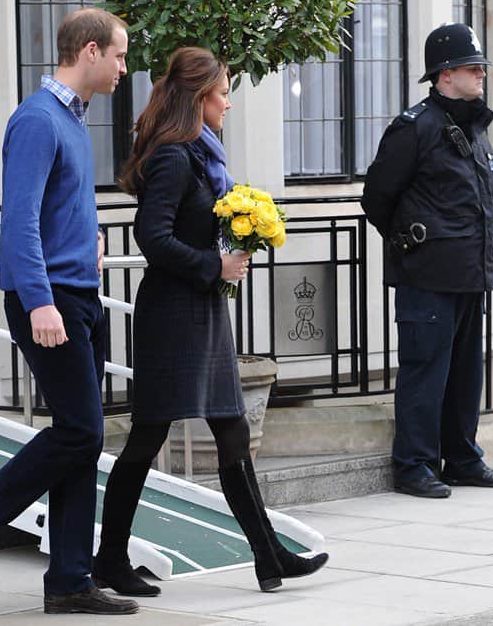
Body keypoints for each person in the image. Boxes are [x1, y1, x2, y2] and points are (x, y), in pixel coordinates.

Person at [91, 47, 329, 596]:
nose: (228, 102)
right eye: (223, 92)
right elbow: (150, 236)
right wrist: (213, 264)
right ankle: (109, 559)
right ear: (199, 97)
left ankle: (269, 557)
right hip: (172, 314)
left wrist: (232, 244)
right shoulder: (176, 156)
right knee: (147, 437)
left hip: (201, 309)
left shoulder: (201, 155)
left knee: (232, 429)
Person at [0, 8, 139, 616]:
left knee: (83, 439)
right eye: (121, 56)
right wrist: (41, 298)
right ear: (89, 51)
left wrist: (89, 244)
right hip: (48, 299)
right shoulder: (36, 120)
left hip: (79, 294)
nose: (126, 69)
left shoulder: (73, 121)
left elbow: (56, 210)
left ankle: (71, 580)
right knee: (79, 431)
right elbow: (18, 220)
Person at [362, 23, 493, 499]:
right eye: (473, 67)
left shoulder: (473, 126)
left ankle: (463, 458)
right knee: (425, 368)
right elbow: (377, 198)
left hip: (470, 272)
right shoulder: (416, 128)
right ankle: (415, 466)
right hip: (427, 275)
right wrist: (414, 243)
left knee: (467, 371)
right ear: (445, 75)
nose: (481, 73)